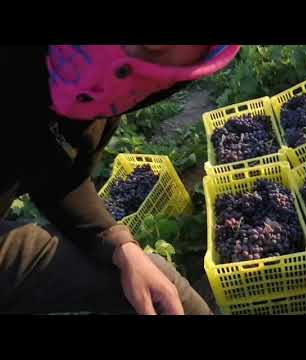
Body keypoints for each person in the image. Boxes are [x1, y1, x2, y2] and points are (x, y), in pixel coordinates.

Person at [0, 45, 240, 315]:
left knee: (156, 289)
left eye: (165, 76)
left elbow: (52, 171)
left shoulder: (98, 87)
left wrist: (119, 245)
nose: (138, 77)